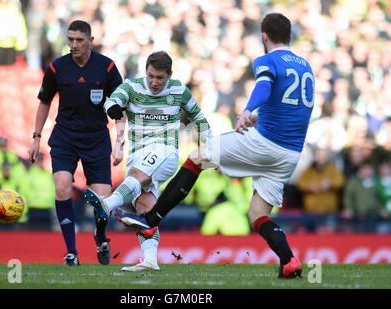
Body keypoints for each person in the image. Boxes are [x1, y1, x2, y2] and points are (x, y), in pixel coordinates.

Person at [116, 13, 315, 279]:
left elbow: (264, 87)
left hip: (265, 144)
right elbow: (293, 108)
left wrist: (247, 109)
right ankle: (289, 260)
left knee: (197, 157)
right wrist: (257, 118)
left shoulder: (267, 60)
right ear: (290, 37)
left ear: (264, 37)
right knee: (257, 214)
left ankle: (150, 221)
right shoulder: (306, 67)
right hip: (289, 154)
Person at [84, 51, 212, 271]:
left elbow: (199, 119)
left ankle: (108, 203)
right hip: (137, 154)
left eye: (160, 78)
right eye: (151, 76)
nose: (154, 82)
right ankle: (150, 260)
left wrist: (214, 150)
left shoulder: (180, 90)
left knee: (135, 177)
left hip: (166, 151)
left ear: (170, 75)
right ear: (146, 72)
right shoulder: (132, 87)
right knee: (144, 210)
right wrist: (112, 108)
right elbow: (112, 100)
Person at [28, 20, 123, 266]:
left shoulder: (107, 67)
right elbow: (44, 101)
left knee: (103, 202)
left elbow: (120, 107)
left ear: (90, 41)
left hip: (96, 138)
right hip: (65, 137)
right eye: (70, 39)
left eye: (79, 40)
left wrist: (120, 141)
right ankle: (71, 252)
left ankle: (101, 236)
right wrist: (36, 137)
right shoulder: (57, 67)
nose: (74, 44)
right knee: (61, 186)